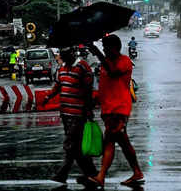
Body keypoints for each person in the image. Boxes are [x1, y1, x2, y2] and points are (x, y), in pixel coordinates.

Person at [86, 34, 144, 188]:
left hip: (119, 109)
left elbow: (113, 72)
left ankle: (101, 176)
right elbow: (104, 86)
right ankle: (137, 172)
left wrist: (96, 52)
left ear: (114, 48)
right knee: (123, 142)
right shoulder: (105, 65)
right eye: (103, 48)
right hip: (108, 110)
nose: (104, 50)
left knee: (110, 141)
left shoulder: (124, 61)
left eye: (106, 48)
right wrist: (93, 103)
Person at [42, 46, 97, 185]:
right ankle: (91, 173)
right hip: (65, 113)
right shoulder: (62, 68)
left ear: (72, 54)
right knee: (77, 146)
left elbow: (88, 90)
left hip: (78, 114)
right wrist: (48, 96)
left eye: (65, 55)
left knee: (70, 144)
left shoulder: (82, 67)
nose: (63, 58)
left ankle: (62, 173)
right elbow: (58, 85)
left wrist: (88, 110)